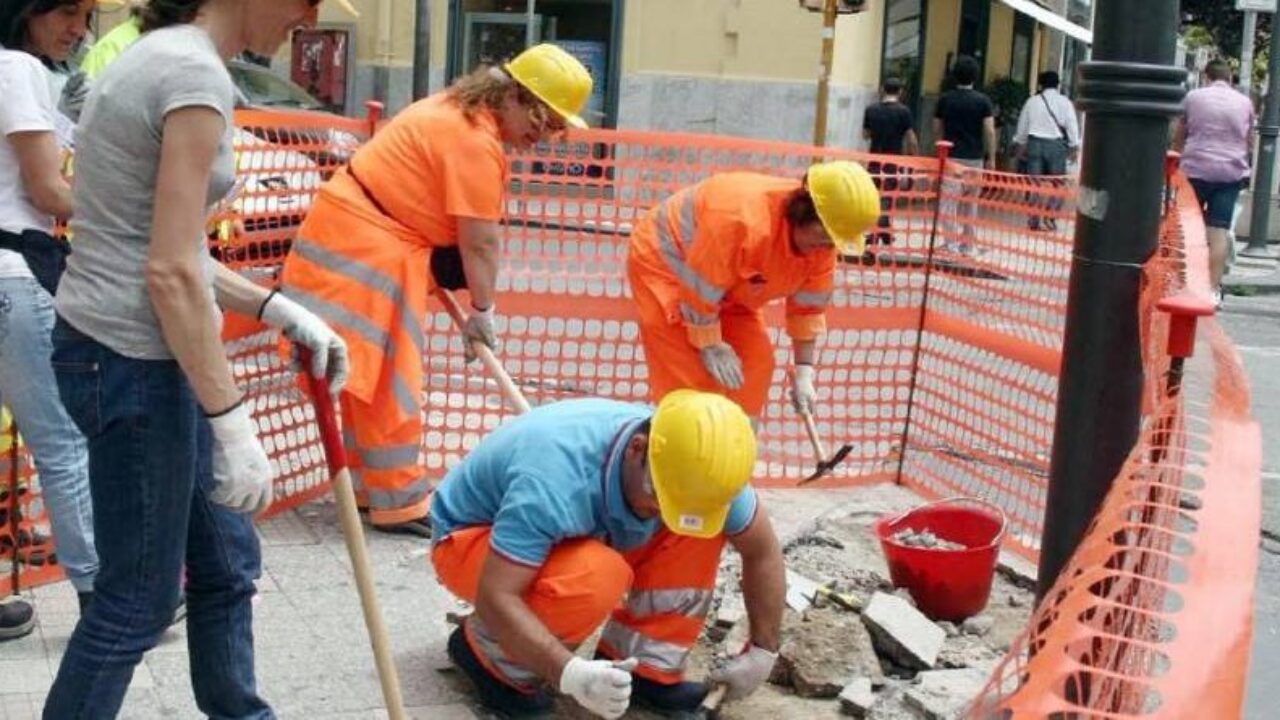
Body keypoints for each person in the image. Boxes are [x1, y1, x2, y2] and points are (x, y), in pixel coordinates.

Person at [44, 0, 354, 717]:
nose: (309, 17)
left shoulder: (166, 58)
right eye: (305, 0)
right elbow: (168, 272)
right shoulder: (191, 76)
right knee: (137, 604)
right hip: (130, 359)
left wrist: (278, 309)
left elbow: (164, 248)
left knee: (226, 562)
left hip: (130, 352)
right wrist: (233, 424)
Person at [279, 43, 593, 537]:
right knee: (390, 379)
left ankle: (371, 492)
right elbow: (480, 241)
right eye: (546, 121)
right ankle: (399, 500)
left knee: (367, 375)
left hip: (363, 237)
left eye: (556, 128)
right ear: (514, 95)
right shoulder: (474, 141)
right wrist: (483, 311)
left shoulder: (458, 113)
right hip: (369, 250)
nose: (546, 136)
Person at [430, 390, 784, 718]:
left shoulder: (701, 471)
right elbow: (497, 595)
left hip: (569, 532)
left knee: (696, 530)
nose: (662, 511)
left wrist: (763, 652)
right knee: (596, 574)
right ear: (636, 448)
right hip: (472, 540)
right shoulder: (555, 478)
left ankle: (646, 668)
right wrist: (569, 673)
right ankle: (490, 660)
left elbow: (763, 551)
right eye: (659, 496)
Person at [626, 163, 880, 425]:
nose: (827, 246)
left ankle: (737, 451)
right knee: (695, 384)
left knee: (756, 363)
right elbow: (699, 289)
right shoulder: (742, 221)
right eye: (825, 234)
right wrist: (710, 344)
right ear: (804, 211)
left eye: (834, 240)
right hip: (668, 264)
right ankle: (688, 451)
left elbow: (807, 310)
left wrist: (804, 374)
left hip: (727, 286)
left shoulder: (822, 248)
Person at [0, 0, 101, 641]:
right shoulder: (15, 69)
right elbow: (46, 190)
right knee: (63, 442)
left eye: (88, 16)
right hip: (11, 274)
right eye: (66, 11)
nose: (79, 30)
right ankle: (104, 595)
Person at [1173, 58, 1254, 308]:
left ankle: (1182, 284)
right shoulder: (1245, 102)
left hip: (1195, 169)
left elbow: (1180, 134)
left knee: (1186, 228)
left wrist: (1176, 161)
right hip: (1229, 173)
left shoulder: (1194, 97)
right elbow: (1248, 140)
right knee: (1218, 232)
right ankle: (1211, 291)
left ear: (1207, 77)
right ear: (1229, 79)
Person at [933, 56, 995, 253]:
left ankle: (950, 244)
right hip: (974, 158)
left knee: (948, 202)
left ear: (954, 76)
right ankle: (968, 244)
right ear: (975, 77)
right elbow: (989, 130)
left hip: (951, 158)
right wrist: (991, 157)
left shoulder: (945, 99)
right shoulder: (983, 101)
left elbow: (936, 128)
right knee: (971, 203)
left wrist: (940, 151)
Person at [1013, 71, 1080, 231]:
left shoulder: (1032, 101)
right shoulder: (1065, 102)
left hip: (1035, 143)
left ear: (1040, 85)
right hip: (1056, 146)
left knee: (1034, 183)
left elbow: (1022, 126)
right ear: (1058, 84)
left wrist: (1020, 144)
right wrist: (1074, 145)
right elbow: (1072, 125)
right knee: (1058, 183)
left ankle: (1033, 219)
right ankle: (1050, 216)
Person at [862, 76, 919, 245]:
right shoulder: (904, 112)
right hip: (893, 160)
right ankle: (879, 233)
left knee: (874, 197)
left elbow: (865, 135)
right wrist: (914, 158)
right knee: (887, 197)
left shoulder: (871, 110)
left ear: (882, 90)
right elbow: (911, 138)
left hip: (874, 160)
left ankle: (882, 232)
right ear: (900, 92)